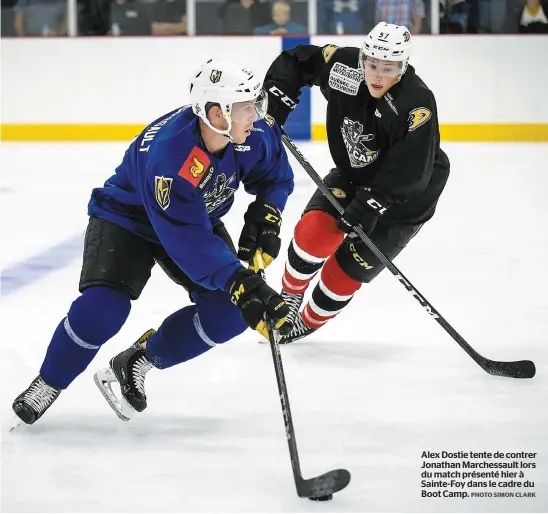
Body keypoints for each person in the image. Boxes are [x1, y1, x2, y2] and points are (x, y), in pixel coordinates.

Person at [12, 59, 294, 425]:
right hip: (128, 219)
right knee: (102, 311)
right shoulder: (171, 158)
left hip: (193, 217)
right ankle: (49, 382)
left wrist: (267, 216)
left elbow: (276, 175)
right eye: (245, 108)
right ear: (217, 114)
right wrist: (240, 280)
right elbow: (186, 241)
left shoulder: (252, 132)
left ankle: (137, 360)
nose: (254, 116)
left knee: (228, 315)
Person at [262, 22, 450, 343]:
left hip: (406, 199)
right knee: (314, 232)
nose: (377, 76)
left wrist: (373, 201)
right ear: (363, 57)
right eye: (372, 64)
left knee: (345, 272)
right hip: (356, 174)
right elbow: (298, 62)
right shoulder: (345, 68)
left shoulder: (415, 103)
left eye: (388, 68)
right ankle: (291, 297)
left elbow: (412, 171)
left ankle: (307, 321)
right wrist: (276, 100)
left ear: (403, 67)